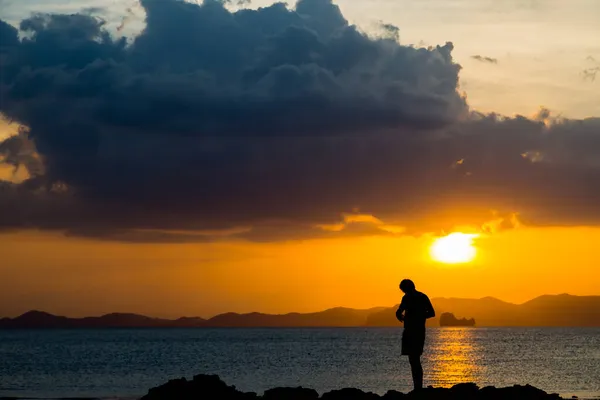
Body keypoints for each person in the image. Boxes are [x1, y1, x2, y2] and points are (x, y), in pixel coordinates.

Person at [396, 279, 435, 391]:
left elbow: (432, 313)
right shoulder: (421, 296)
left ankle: (417, 388)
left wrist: (414, 316)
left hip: (412, 331)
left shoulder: (408, 297)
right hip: (416, 331)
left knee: (414, 360)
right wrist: (420, 316)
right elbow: (431, 313)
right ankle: (417, 387)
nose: (404, 292)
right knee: (414, 359)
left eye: (403, 290)